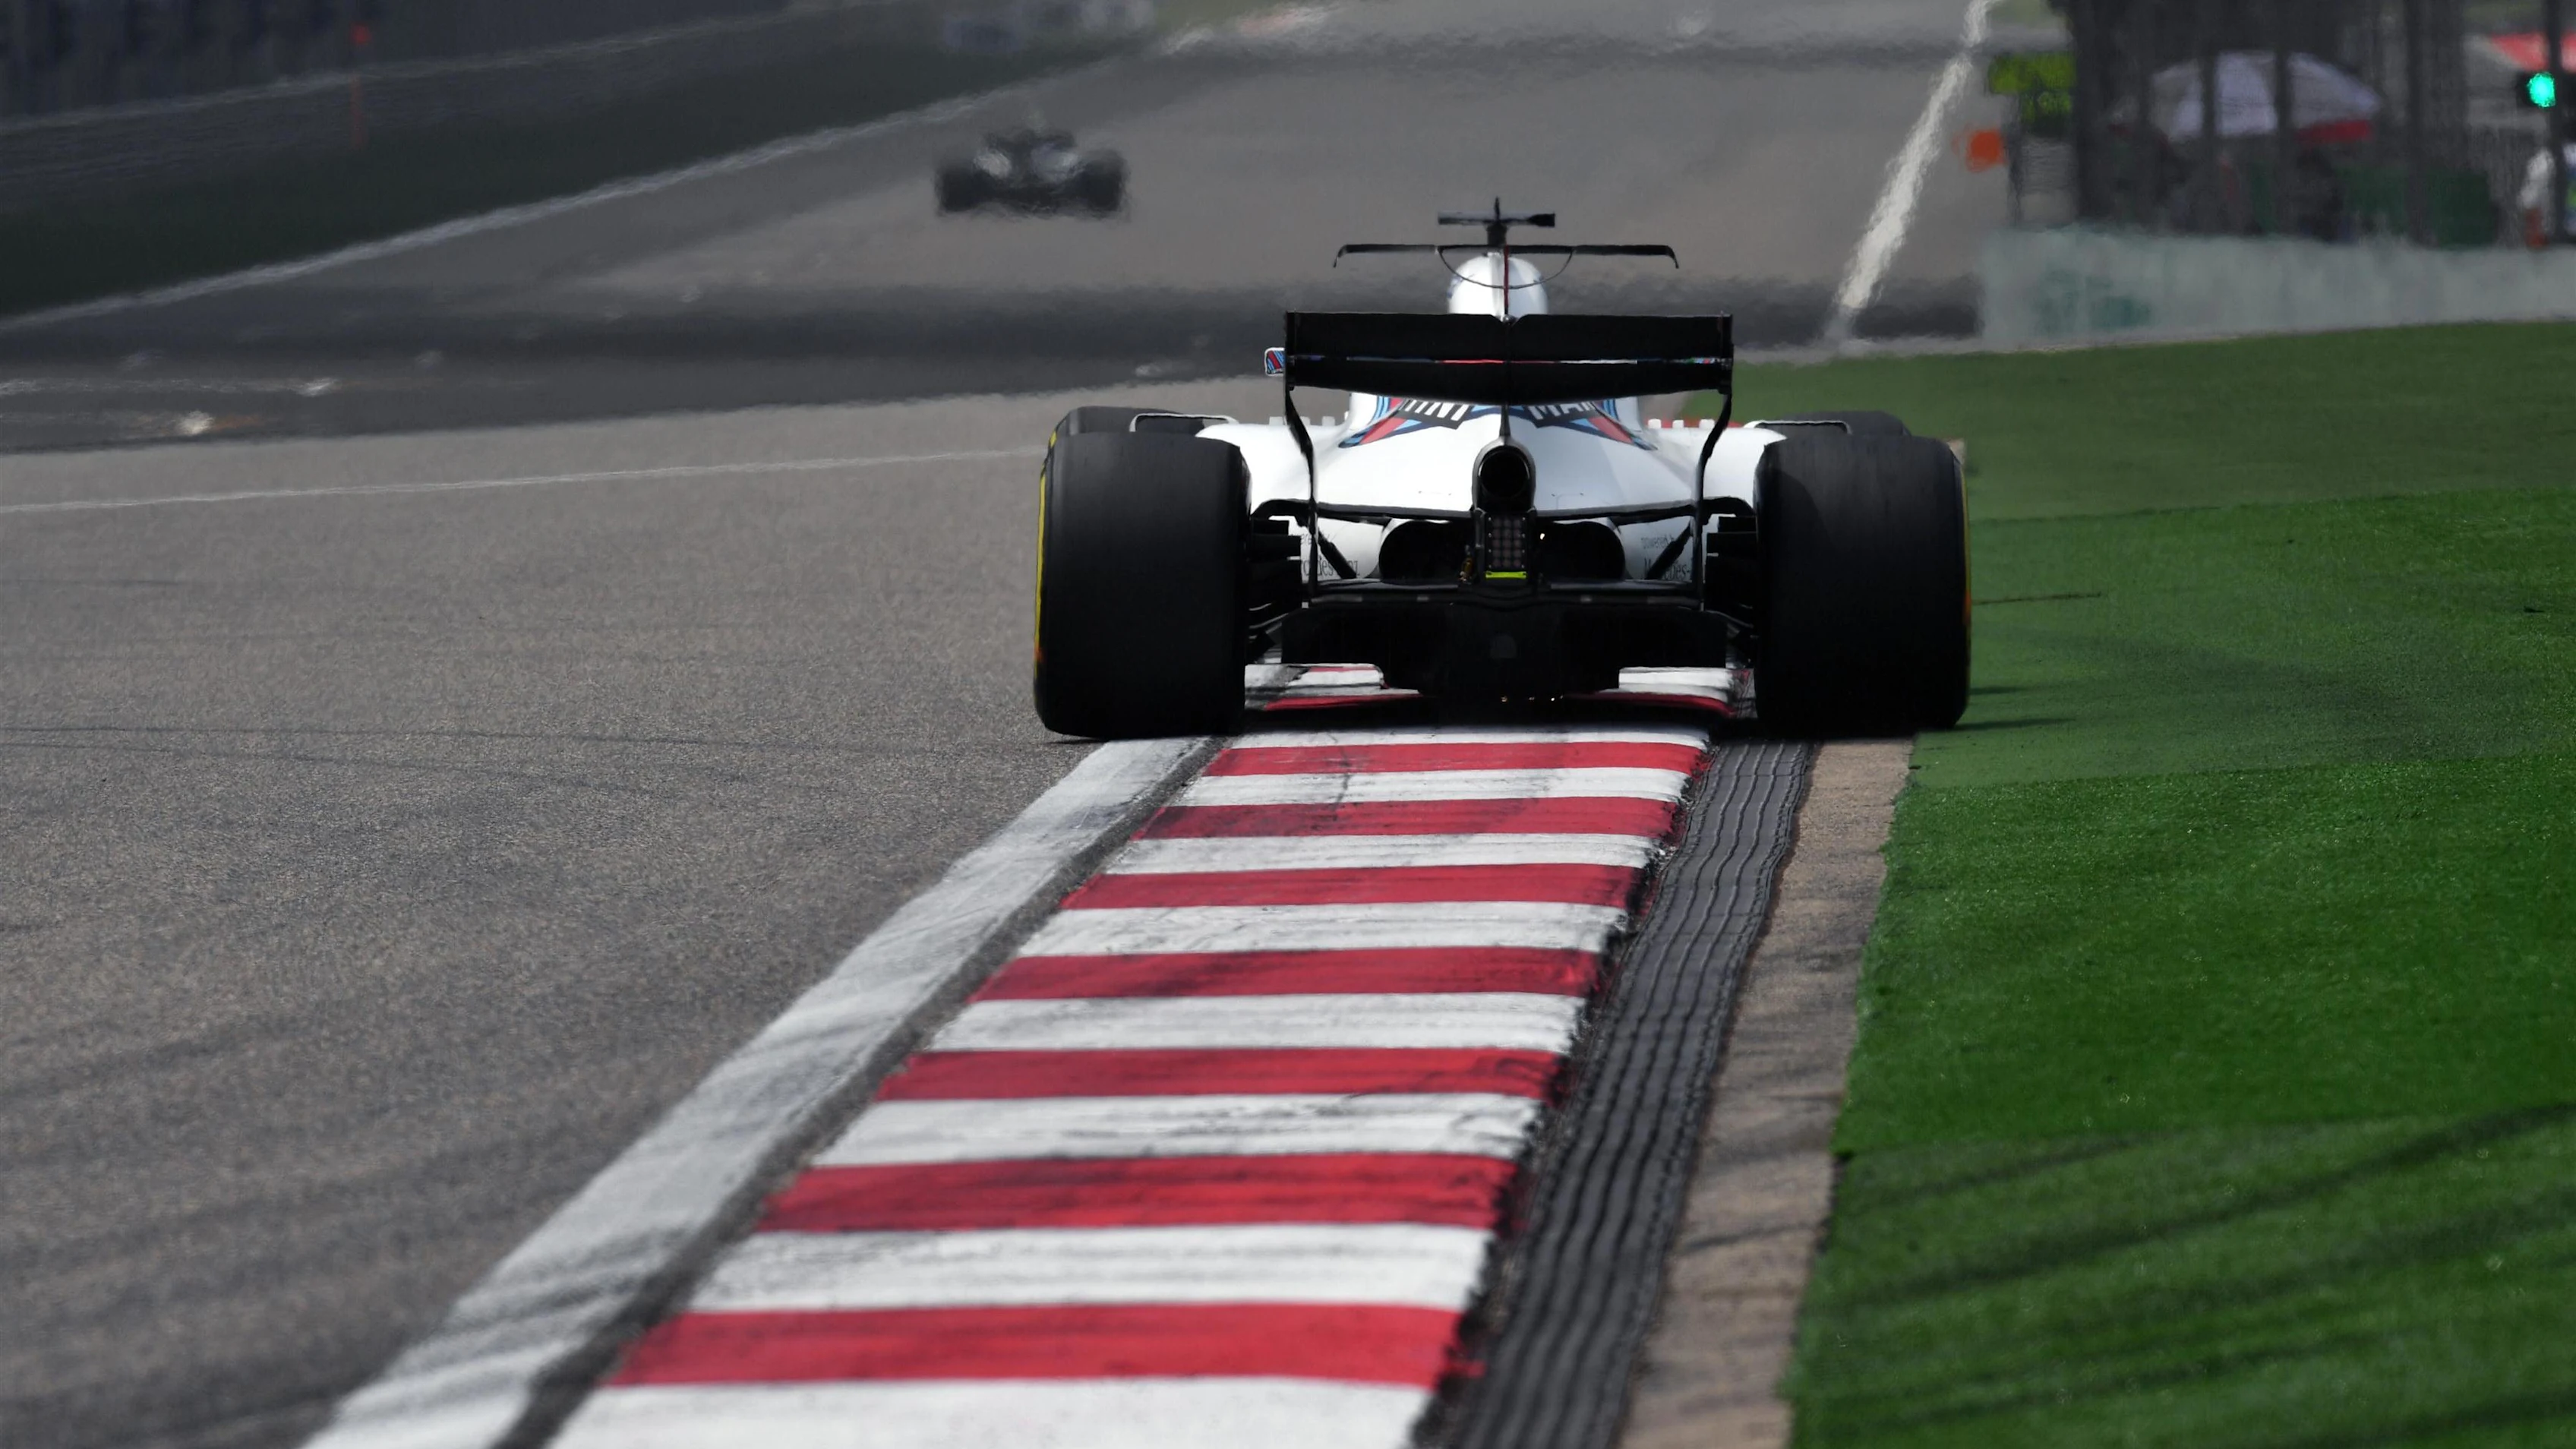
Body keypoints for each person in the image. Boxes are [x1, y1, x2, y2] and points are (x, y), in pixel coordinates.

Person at [2518, 141, 2576, 247]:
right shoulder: (2546, 160)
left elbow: (2530, 203)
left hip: (2557, 243)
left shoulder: (2545, 159)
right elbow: (2531, 204)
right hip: (2560, 242)